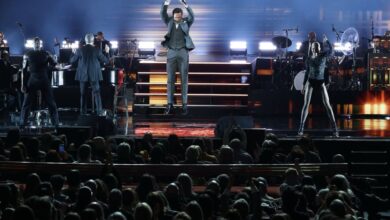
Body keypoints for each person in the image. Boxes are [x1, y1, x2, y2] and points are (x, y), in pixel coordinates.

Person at [298, 33, 338, 137]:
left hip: (320, 82)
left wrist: (326, 41)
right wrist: (303, 85)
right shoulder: (309, 59)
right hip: (311, 81)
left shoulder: (323, 56)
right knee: (306, 105)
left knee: (327, 105)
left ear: (319, 48)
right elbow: (307, 72)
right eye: (313, 47)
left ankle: (335, 129)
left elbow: (331, 51)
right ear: (311, 48)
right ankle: (301, 128)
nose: (315, 48)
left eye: (317, 47)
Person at [160, 0, 195, 115]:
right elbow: (162, 13)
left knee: (184, 80)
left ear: (181, 16)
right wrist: (166, 2)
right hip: (171, 53)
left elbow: (192, 16)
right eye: (176, 17)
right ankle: (170, 104)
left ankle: (184, 105)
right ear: (173, 16)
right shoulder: (169, 21)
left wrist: (186, 5)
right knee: (170, 80)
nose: (178, 19)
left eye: (179, 17)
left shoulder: (186, 23)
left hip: (183, 53)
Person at [20, 37, 59, 127]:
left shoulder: (46, 53)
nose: (37, 44)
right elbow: (23, 70)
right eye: (35, 43)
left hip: (42, 79)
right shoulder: (28, 54)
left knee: (51, 102)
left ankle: (56, 124)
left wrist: (53, 59)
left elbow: (54, 64)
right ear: (33, 44)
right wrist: (23, 84)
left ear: (40, 44)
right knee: (26, 103)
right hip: (34, 79)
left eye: (38, 43)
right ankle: (22, 124)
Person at [70, 33, 109, 115]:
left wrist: (73, 52)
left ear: (85, 40)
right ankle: (99, 112)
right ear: (93, 40)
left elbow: (71, 61)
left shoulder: (80, 50)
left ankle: (83, 113)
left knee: (83, 94)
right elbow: (106, 61)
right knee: (97, 94)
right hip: (94, 75)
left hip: (83, 76)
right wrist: (107, 52)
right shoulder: (97, 50)